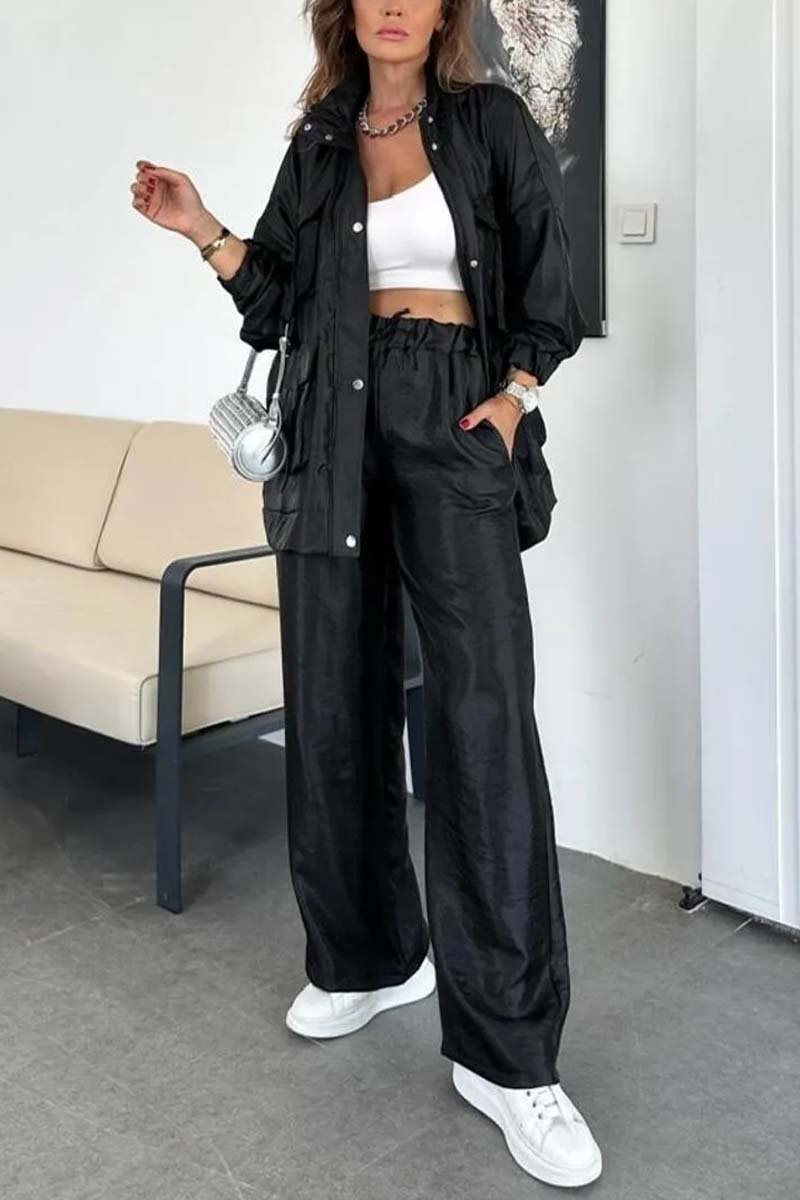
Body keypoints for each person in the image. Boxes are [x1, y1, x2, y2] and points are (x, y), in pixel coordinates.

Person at [130, 0, 600, 1188]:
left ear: (440, 11)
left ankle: (508, 1056)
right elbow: (278, 301)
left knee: (481, 719)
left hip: (453, 411)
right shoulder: (323, 139)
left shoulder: (488, 124)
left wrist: (515, 398)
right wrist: (202, 229)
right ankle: (367, 959)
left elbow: (551, 275)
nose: (392, 4)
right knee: (333, 703)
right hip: (327, 426)